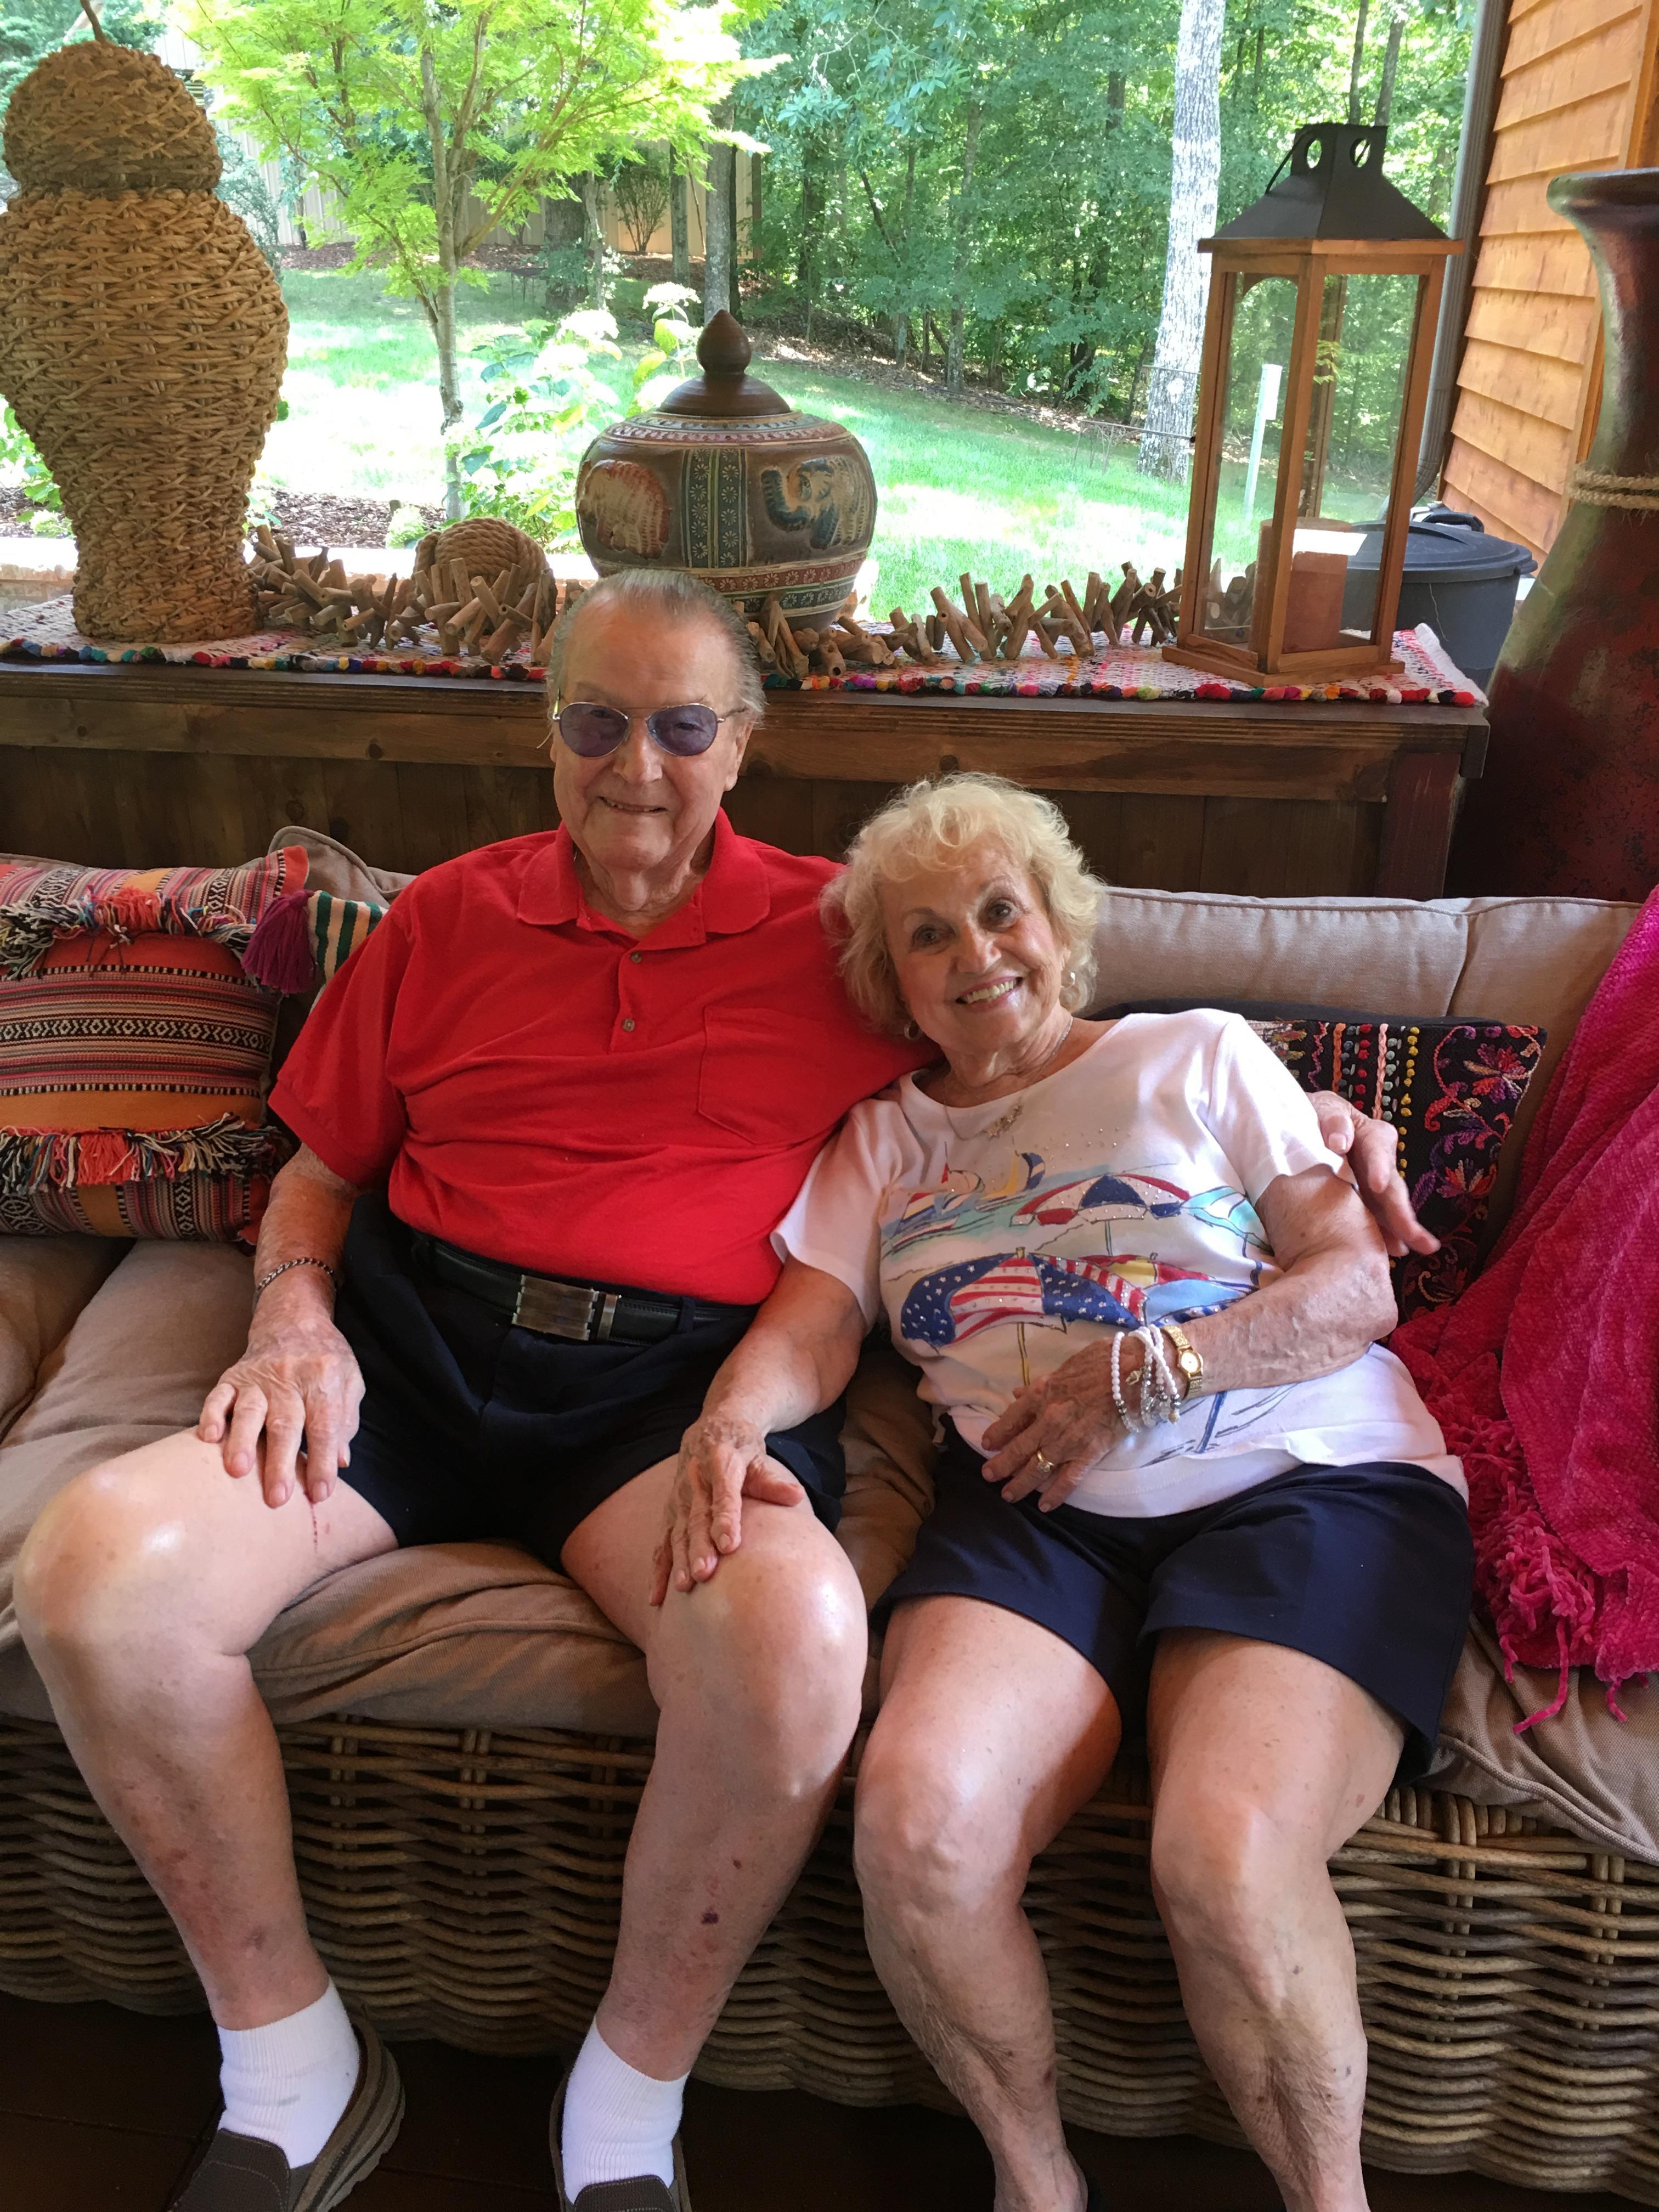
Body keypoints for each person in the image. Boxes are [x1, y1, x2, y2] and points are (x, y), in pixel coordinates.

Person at [15, 577, 1423, 2212]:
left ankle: (625, 2108)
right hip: (405, 1352)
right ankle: (291, 2071)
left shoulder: (846, 936)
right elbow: (322, 1170)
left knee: (799, 1646)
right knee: (93, 1579)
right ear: (546, 738)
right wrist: (290, 1311)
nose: (639, 765)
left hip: (661, 1393)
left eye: (684, 725)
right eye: (596, 721)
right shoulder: (445, 920)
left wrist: (1314, 1124)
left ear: (741, 744)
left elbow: (1043, 1025)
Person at [666, 773, 1472, 2212]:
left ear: (1059, 922)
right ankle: (1036, 2184)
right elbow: (815, 1324)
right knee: (916, 1826)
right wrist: (729, 1419)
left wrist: (1150, 1370)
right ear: (886, 978)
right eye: (927, 937)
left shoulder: (1200, 1057)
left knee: (1223, 1857)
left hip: (1305, 1476)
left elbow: (1353, 1288)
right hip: (1034, 1514)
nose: (976, 956)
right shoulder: (882, 1142)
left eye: (999, 912)